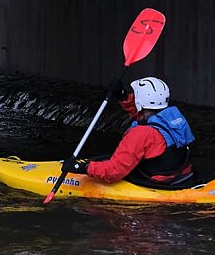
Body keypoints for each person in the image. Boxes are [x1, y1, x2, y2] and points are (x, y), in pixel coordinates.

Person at [65, 77, 195, 186]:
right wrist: (123, 95)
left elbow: (113, 172)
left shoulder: (140, 134)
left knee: (106, 162)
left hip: (159, 181)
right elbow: (145, 115)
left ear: (141, 101)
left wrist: (82, 168)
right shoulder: (174, 116)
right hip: (182, 174)